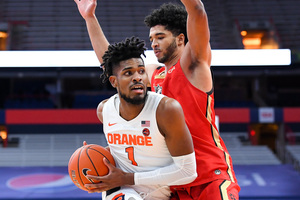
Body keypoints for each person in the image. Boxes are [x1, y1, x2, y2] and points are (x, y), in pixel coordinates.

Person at [74, 0, 240, 199]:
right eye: (151, 38)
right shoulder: (155, 75)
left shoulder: (193, 66)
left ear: (180, 39)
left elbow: (196, 11)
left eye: (160, 37)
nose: (153, 43)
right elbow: (114, 66)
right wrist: (89, 18)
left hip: (210, 176)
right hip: (174, 181)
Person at [82, 36, 197, 200]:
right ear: (114, 81)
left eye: (141, 71)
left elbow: (188, 172)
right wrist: (94, 154)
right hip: (120, 189)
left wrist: (129, 178)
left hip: (158, 193)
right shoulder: (104, 110)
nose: (138, 77)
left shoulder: (166, 109)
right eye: (128, 73)